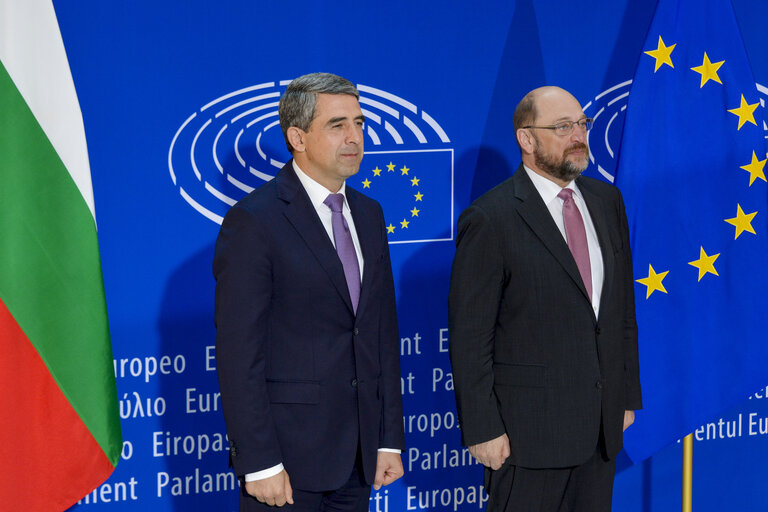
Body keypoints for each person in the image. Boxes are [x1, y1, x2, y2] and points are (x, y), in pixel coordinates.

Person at [214, 72, 405, 511]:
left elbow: (380, 333)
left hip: (358, 459)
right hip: (287, 463)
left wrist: (387, 437)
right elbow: (239, 354)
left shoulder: (370, 214)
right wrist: (259, 463)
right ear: (297, 137)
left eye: (359, 124)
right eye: (337, 125)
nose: (354, 137)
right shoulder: (255, 221)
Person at [448, 86, 642, 511]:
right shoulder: (490, 218)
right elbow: (469, 337)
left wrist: (626, 395)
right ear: (526, 139)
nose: (578, 135)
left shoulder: (607, 201)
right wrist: (482, 429)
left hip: (600, 431)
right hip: (527, 440)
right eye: (562, 127)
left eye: (582, 124)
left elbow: (621, 310)